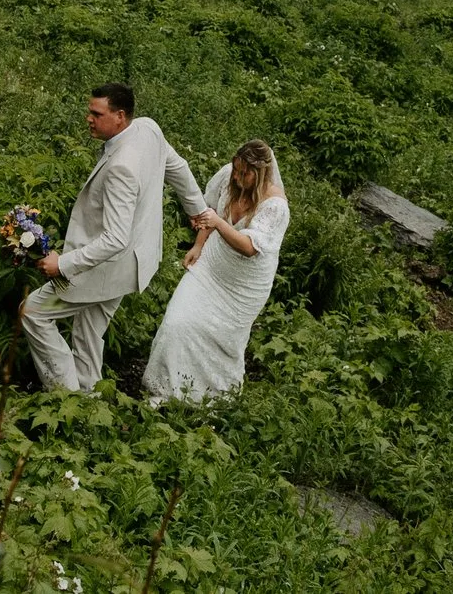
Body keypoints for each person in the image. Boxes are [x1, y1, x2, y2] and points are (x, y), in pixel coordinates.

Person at [22, 83, 207, 394]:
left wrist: (62, 265)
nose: (88, 119)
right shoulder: (148, 129)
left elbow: (114, 239)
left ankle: (63, 396)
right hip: (130, 268)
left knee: (33, 313)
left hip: (103, 270)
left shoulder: (121, 166)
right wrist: (200, 212)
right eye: (89, 111)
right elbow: (178, 167)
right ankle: (87, 401)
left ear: (120, 116)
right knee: (89, 333)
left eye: (97, 113)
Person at [144, 139, 289, 402]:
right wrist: (198, 245)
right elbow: (211, 212)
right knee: (176, 322)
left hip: (243, 286)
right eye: (236, 169)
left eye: (244, 173)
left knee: (220, 338)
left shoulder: (276, 206)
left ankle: (211, 398)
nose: (236, 176)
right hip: (212, 265)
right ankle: (163, 390)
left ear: (261, 174)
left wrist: (219, 224)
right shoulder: (229, 178)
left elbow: (249, 247)